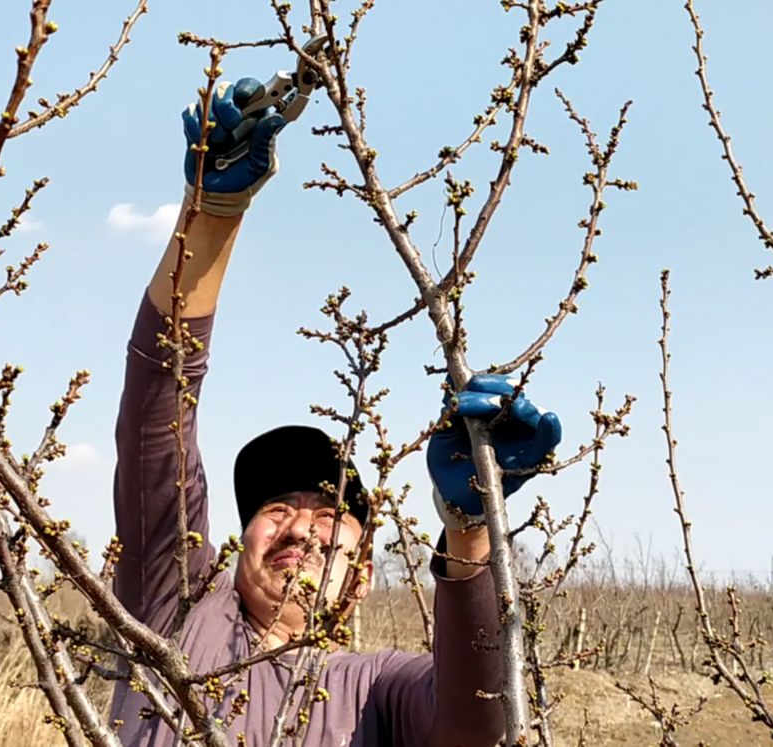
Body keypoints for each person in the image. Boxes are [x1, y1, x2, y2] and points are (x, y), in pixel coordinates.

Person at [110, 77, 562, 746]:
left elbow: (480, 723)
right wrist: (210, 214)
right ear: (233, 552)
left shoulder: (380, 687)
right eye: (275, 509)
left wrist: (468, 531)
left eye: (329, 515)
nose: (301, 529)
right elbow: (156, 410)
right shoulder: (175, 607)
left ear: (363, 580)